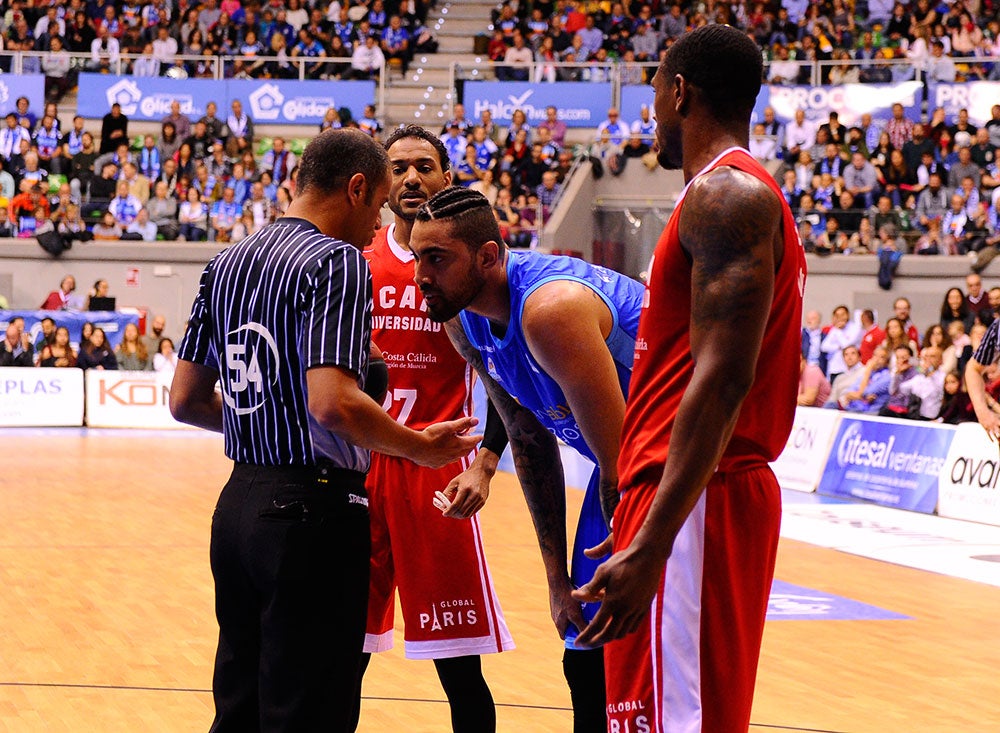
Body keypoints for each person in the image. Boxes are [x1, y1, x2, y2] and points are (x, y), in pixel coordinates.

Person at [167, 129, 482, 732]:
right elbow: (334, 404)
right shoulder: (337, 261)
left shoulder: (226, 261)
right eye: (379, 202)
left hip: (237, 506)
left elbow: (184, 400)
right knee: (309, 712)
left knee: (240, 707)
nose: (378, 225)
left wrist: (268, 419)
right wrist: (420, 447)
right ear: (356, 188)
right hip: (312, 513)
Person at [570, 26, 807, 733]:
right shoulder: (720, 196)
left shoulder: (727, 195)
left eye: (653, 98)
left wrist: (652, 541)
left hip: (695, 504)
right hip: (685, 499)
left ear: (680, 92)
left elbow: (725, 377)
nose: (652, 118)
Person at [409, 186, 646, 732]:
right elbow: (529, 440)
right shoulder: (463, 318)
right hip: (627, 469)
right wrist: (556, 579)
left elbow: (619, 469)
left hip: (684, 470)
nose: (421, 275)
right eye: (419, 257)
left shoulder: (550, 310)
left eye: (436, 259)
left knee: (633, 654)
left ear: (488, 256)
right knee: (582, 642)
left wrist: (633, 547)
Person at [353, 126, 513, 733]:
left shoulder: (472, 265)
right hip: (358, 468)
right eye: (399, 168)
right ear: (381, 182)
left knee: (460, 664)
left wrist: (485, 463)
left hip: (437, 471)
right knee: (345, 655)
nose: (412, 178)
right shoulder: (353, 263)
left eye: (425, 166)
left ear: (448, 177)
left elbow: (507, 375)